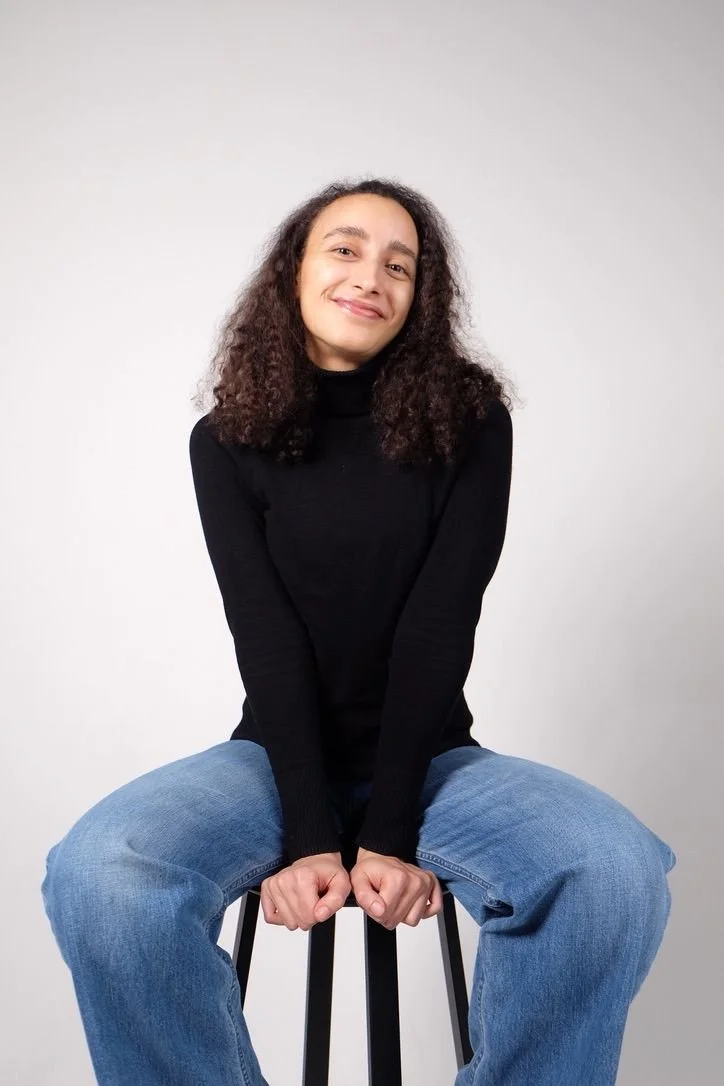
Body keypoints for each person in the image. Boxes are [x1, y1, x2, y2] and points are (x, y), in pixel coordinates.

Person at [41, 177, 677, 1086]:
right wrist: (308, 831)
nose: (370, 275)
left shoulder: (469, 424)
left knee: (609, 871)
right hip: (272, 759)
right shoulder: (225, 442)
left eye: (400, 264)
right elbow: (265, 636)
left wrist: (389, 830)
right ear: (293, 272)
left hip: (432, 763)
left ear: (420, 299)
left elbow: (438, 626)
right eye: (344, 249)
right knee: (101, 875)